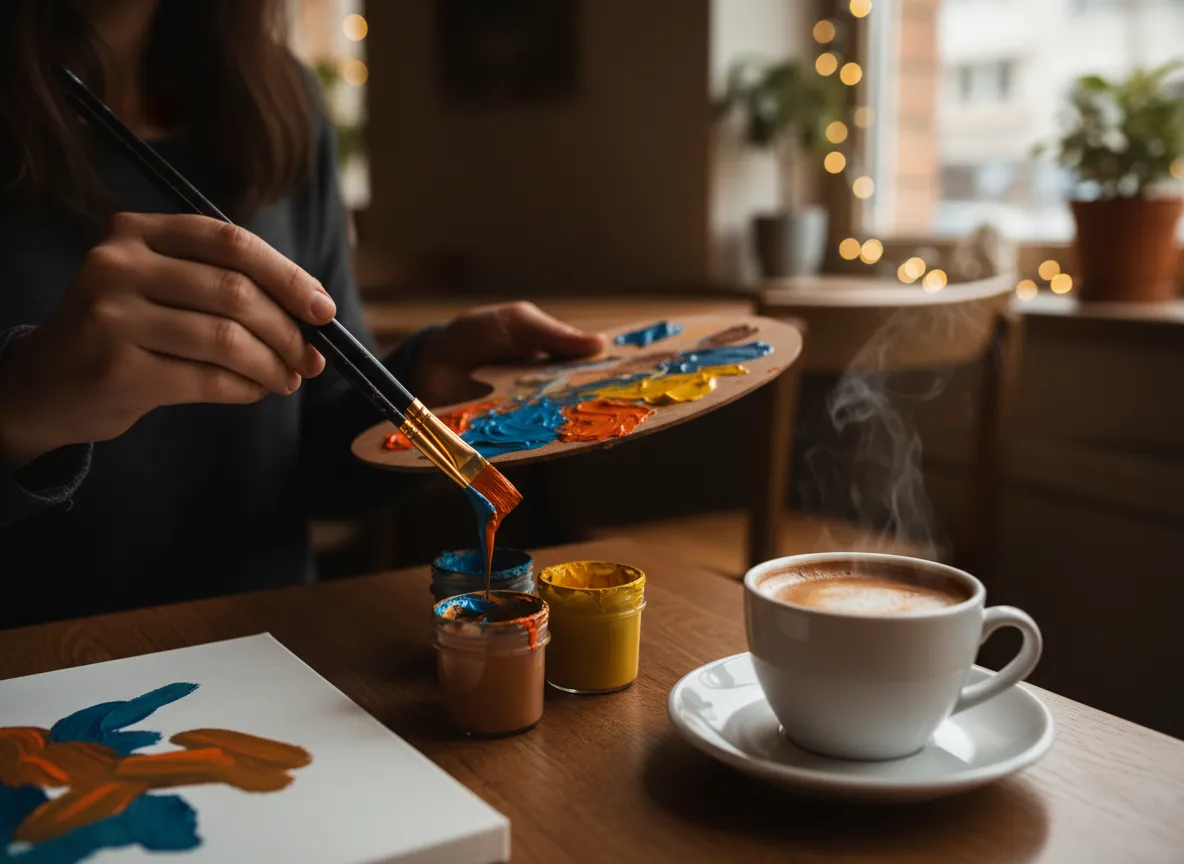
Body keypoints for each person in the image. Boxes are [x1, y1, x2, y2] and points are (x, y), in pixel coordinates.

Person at [0, 0, 605, 629]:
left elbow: (318, 461)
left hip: (275, 660)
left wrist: (429, 377)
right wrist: (15, 410)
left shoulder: (278, 100)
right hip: (34, 682)